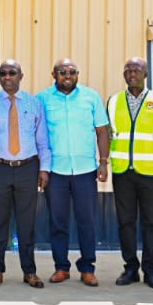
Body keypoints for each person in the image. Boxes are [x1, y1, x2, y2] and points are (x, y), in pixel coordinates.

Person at [0, 59, 49, 289]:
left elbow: (43, 140)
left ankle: (30, 271)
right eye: (3, 73)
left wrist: (44, 168)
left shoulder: (34, 103)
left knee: (27, 223)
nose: (7, 77)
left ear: (21, 75)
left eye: (12, 73)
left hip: (28, 167)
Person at [106, 57, 153, 290]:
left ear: (146, 74)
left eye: (136, 69)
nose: (131, 73)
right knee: (125, 222)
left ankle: (150, 270)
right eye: (127, 69)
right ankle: (130, 268)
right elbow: (107, 133)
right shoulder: (114, 101)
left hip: (150, 172)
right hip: (122, 172)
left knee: (151, 223)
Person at [38, 58, 109, 286]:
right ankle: (61, 267)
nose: (67, 75)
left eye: (72, 72)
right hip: (55, 171)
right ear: (53, 74)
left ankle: (87, 268)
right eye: (62, 72)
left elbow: (101, 131)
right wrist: (42, 168)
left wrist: (104, 162)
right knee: (58, 221)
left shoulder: (91, 97)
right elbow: (37, 136)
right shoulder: (42, 99)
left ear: (77, 74)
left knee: (86, 221)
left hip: (85, 170)